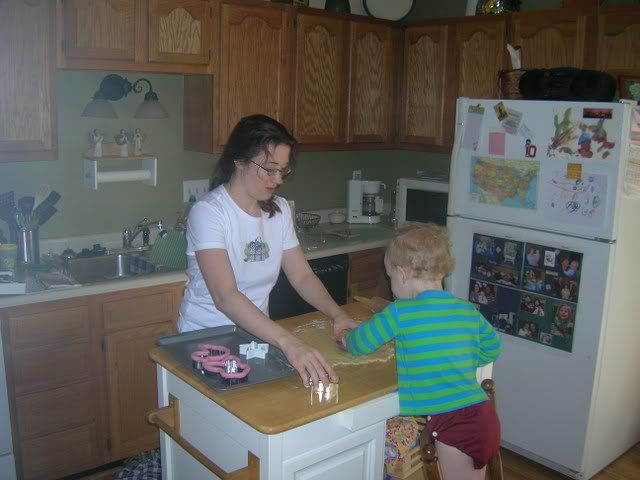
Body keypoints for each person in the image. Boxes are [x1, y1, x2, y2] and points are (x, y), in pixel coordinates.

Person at [177, 114, 356, 387]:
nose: (278, 179)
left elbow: (302, 277)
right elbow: (225, 296)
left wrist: (338, 314)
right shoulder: (209, 213)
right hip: (204, 342)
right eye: (270, 168)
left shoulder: (280, 210)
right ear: (239, 160)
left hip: (254, 337)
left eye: (283, 170)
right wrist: (289, 342)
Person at [338, 223, 502, 480]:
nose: (392, 287)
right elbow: (492, 347)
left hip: (455, 424)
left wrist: (346, 338)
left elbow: (361, 344)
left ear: (403, 274)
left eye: (390, 278)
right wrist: (463, 359)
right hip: (480, 415)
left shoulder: (400, 312)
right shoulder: (467, 310)